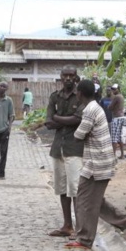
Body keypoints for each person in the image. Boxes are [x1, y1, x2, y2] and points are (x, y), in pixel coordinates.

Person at [64, 79, 126, 249]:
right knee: (94, 200)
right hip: (98, 160)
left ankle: (84, 239)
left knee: (84, 200)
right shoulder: (95, 107)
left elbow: (79, 134)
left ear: (80, 93)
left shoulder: (89, 110)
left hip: (97, 162)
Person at [44, 65, 84, 238]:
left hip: (75, 148)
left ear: (76, 78)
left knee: (75, 189)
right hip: (58, 148)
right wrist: (68, 121)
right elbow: (48, 122)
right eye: (65, 75)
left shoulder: (82, 98)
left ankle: (80, 228)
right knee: (61, 188)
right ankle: (67, 225)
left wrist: (59, 119)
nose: (68, 78)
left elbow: (79, 120)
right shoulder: (55, 96)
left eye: (71, 75)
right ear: (60, 77)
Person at [108, 84, 125, 159]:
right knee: (119, 137)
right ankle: (122, 155)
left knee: (114, 137)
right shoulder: (121, 96)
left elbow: (110, 107)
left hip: (117, 118)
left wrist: (111, 100)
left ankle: (113, 155)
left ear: (118, 89)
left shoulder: (116, 97)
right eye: (112, 89)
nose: (113, 90)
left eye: (114, 89)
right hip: (121, 117)